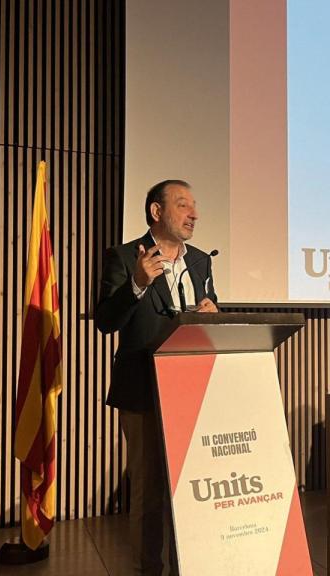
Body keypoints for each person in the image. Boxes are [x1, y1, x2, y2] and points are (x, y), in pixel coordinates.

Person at [96, 180, 219, 575]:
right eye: (183, 205)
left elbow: (206, 315)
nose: (194, 214)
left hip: (192, 389)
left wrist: (213, 315)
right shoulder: (122, 256)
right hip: (143, 390)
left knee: (193, 489)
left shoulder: (201, 260)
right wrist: (137, 284)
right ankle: (150, 569)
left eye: (194, 206)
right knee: (148, 493)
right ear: (156, 211)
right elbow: (105, 321)